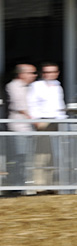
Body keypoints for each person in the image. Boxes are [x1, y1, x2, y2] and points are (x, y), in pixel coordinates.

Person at [27, 62, 67, 189]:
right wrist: (36, 121)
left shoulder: (57, 85)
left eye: (52, 72)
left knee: (56, 154)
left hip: (59, 121)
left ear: (57, 73)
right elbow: (31, 103)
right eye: (46, 72)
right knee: (42, 154)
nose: (49, 74)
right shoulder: (36, 86)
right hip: (43, 121)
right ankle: (39, 184)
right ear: (42, 73)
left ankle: (54, 183)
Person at [3, 64, 37, 192]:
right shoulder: (14, 86)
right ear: (21, 74)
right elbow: (20, 106)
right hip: (18, 127)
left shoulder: (31, 87)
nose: (34, 75)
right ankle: (16, 186)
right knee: (18, 158)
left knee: (27, 158)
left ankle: (24, 185)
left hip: (29, 127)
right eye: (31, 73)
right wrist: (34, 120)